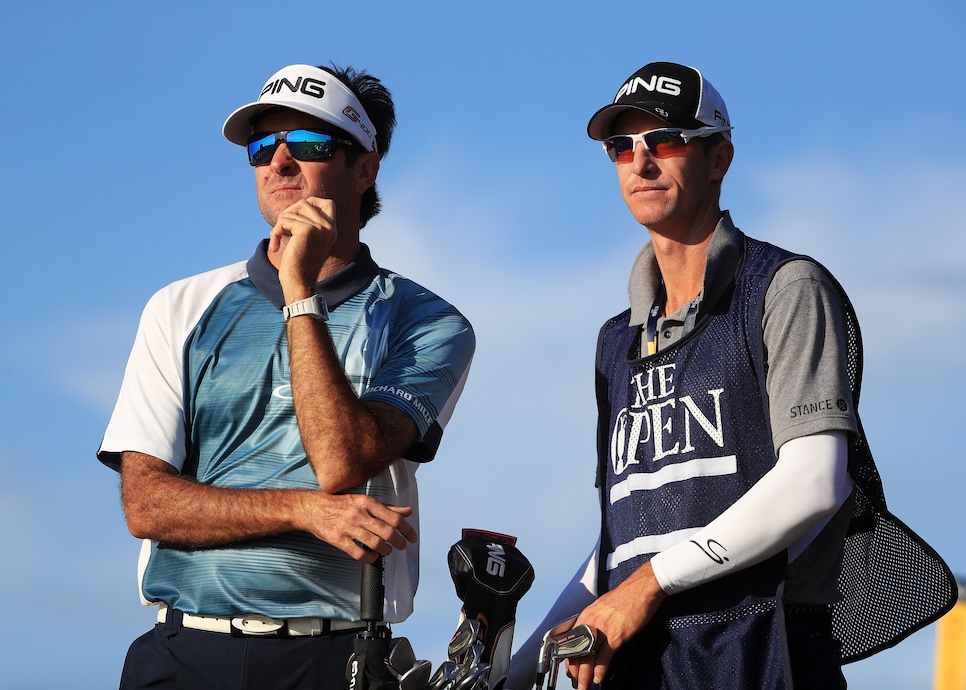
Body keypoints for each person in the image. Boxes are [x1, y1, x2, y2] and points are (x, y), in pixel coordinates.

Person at [506, 61, 956, 690]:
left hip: (768, 650)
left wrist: (646, 586)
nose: (642, 163)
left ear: (719, 159)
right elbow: (623, 542)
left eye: (666, 141)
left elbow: (814, 482)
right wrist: (515, 672)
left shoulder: (786, 288)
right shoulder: (616, 341)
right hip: (648, 661)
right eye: (621, 147)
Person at [97, 62, 476, 690]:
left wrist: (299, 292)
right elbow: (146, 504)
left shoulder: (429, 321)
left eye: (308, 145)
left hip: (337, 657)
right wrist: (303, 512)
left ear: (365, 168)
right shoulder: (179, 306)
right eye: (261, 147)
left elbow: (341, 461)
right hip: (187, 650)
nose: (278, 163)